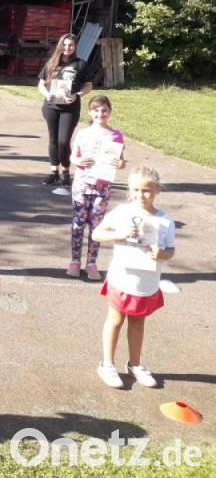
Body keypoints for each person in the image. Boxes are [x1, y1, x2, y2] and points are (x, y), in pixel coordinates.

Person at [92, 166, 175, 389]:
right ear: (130, 190)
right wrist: (119, 234)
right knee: (115, 320)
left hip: (146, 282)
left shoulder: (165, 220)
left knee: (138, 323)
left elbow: (170, 251)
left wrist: (161, 254)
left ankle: (135, 364)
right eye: (136, 190)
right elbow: (97, 234)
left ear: (157, 190)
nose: (141, 195)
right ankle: (107, 365)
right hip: (122, 277)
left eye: (146, 190)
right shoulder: (122, 212)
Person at [67, 95, 126, 280]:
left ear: (110, 112)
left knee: (96, 224)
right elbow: (73, 156)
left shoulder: (116, 135)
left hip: (102, 185)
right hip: (82, 183)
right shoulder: (83, 133)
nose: (100, 114)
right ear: (90, 112)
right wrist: (77, 161)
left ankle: (91, 262)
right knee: (79, 222)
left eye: (104, 110)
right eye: (96, 110)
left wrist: (121, 164)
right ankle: (75, 260)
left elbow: (121, 161)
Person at [38, 33, 93, 187]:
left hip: (70, 108)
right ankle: (54, 172)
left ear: (75, 47)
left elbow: (88, 85)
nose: (67, 48)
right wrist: (47, 94)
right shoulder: (51, 63)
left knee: (63, 141)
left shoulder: (80, 64)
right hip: (51, 106)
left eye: (71, 45)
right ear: (60, 46)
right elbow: (41, 84)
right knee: (53, 139)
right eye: (65, 44)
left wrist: (78, 95)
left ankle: (66, 172)